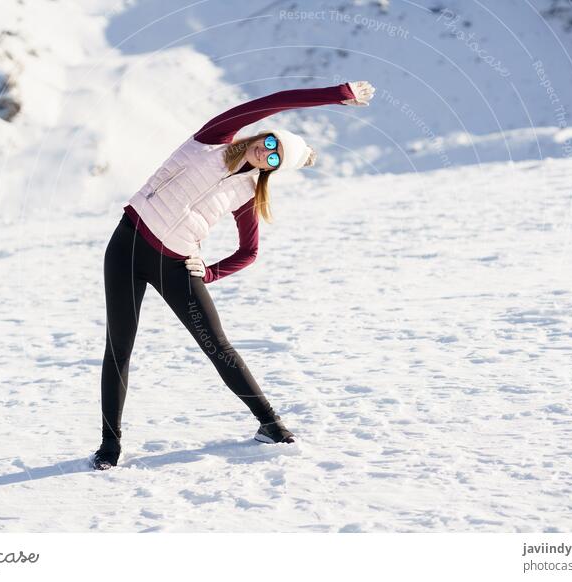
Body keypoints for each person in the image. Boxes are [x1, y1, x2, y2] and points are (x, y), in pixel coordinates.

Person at [93, 80, 376, 470]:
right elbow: (275, 100)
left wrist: (208, 272)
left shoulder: (247, 193)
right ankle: (110, 446)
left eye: (275, 159)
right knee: (119, 347)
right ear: (264, 135)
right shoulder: (214, 139)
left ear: (274, 170)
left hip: (176, 264)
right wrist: (337, 94)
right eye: (270, 144)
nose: (266, 153)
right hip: (127, 245)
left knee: (218, 346)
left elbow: (249, 252)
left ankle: (271, 425)